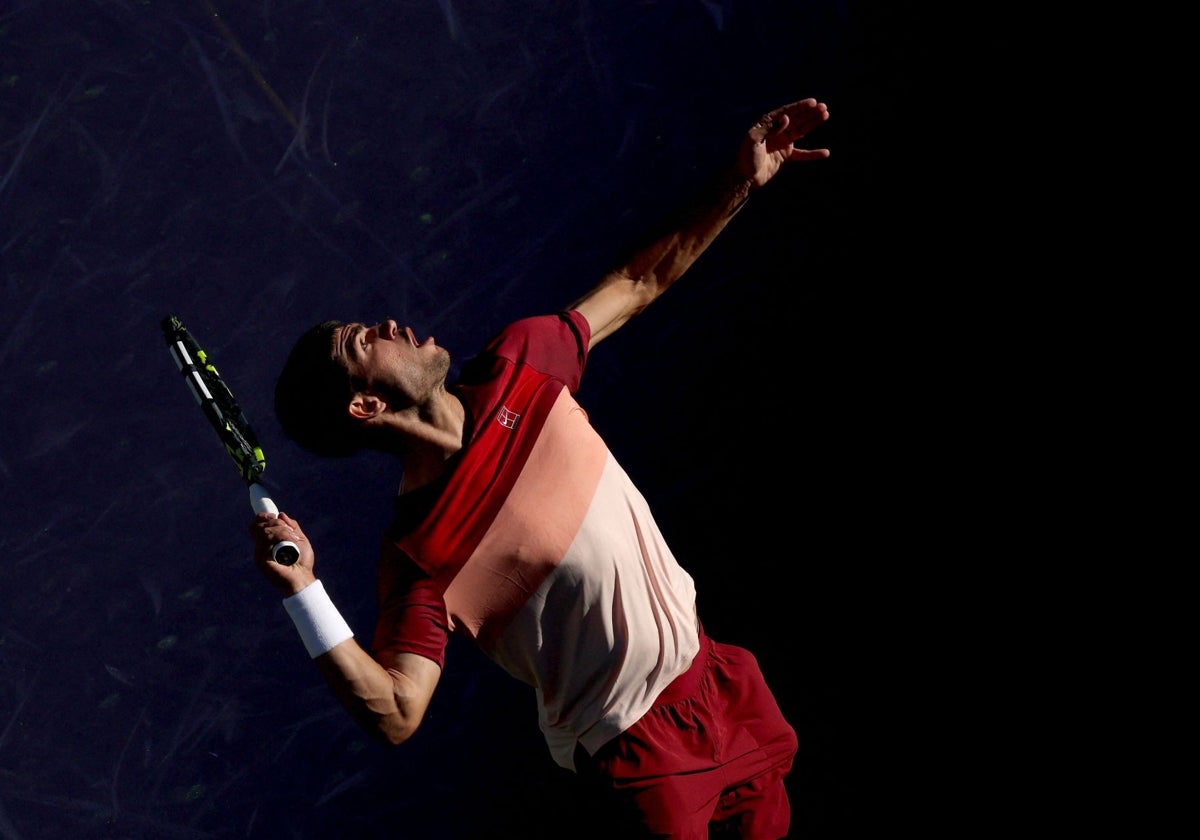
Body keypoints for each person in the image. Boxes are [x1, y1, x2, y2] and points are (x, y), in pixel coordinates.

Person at [249, 96, 830, 839]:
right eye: (366, 341)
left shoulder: (521, 360)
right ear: (363, 407)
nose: (391, 324)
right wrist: (304, 593)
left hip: (718, 680)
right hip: (639, 760)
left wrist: (740, 184)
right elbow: (397, 713)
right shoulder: (419, 554)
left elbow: (640, 281)